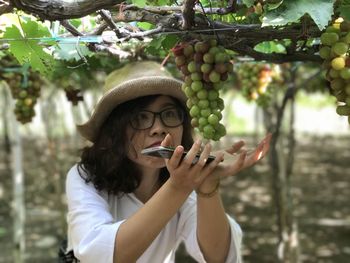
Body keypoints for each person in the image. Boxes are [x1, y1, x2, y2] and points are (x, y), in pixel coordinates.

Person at [64, 61, 271, 263]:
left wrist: (207, 184)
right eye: (141, 117)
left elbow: (217, 257)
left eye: (169, 114)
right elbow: (100, 255)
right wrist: (177, 187)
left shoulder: (184, 181)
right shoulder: (86, 176)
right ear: (115, 130)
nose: (159, 128)